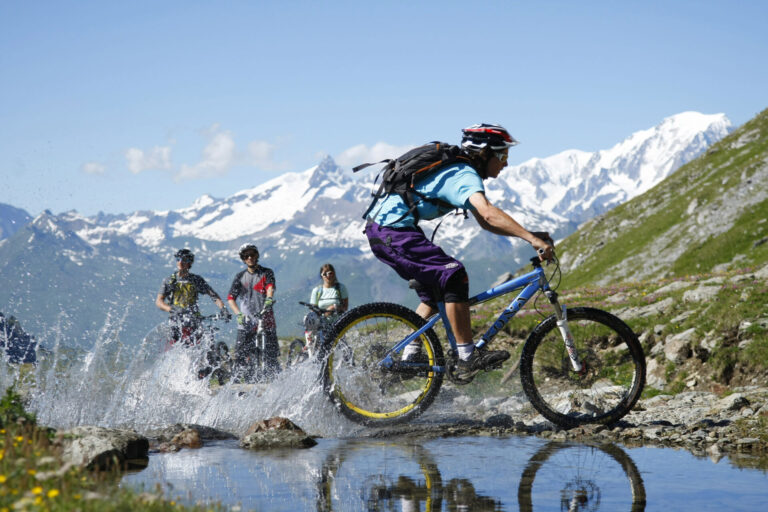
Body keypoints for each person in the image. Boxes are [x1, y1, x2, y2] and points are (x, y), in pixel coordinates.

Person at [363, 123, 554, 380]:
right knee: (453, 274)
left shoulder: (460, 171)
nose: (506, 163)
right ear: (485, 153)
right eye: (503, 156)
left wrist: (528, 235)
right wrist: (531, 239)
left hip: (387, 231)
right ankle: (467, 357)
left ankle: (411, 354)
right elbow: (487, 212)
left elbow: (485, 222)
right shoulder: (464, 175)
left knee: (435, 292)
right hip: (393, 232)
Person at [227, 243, 280, 381]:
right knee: (240, 356)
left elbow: (270, 287)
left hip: (265, 319)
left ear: (257, 256)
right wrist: (238, 314)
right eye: (246, 256)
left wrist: (269, 299)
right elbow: (230, 298)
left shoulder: (266, 272)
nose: (250, 257)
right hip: (246, 321)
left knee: (271, 356)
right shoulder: (240, 276)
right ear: (243, 259)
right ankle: (238, 385)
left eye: (252, 254)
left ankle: (275, 383)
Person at [155, 248, 228, 347]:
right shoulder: (170, 280)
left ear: (190, 263)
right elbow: (159, 302)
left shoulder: (196, 280)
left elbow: (213, 295)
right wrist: (172, 309)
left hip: (194, 322)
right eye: (178, 259)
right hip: (175, 323)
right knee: (174, 349)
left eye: (184, 260)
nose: (180, 262)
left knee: (201, 348)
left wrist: (223, 308)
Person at [304, 263, 349, 353]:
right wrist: (324, 313)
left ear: (334, 273)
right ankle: (309, 342)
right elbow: (313, 309)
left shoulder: (340, 288)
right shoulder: (317, 290)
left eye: (330, 273)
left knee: (344, 348)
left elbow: (345, 307)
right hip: (321, 322)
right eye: (324, 274)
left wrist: (335, 307)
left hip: (337, 322)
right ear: (321, 276)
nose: (328, 276)